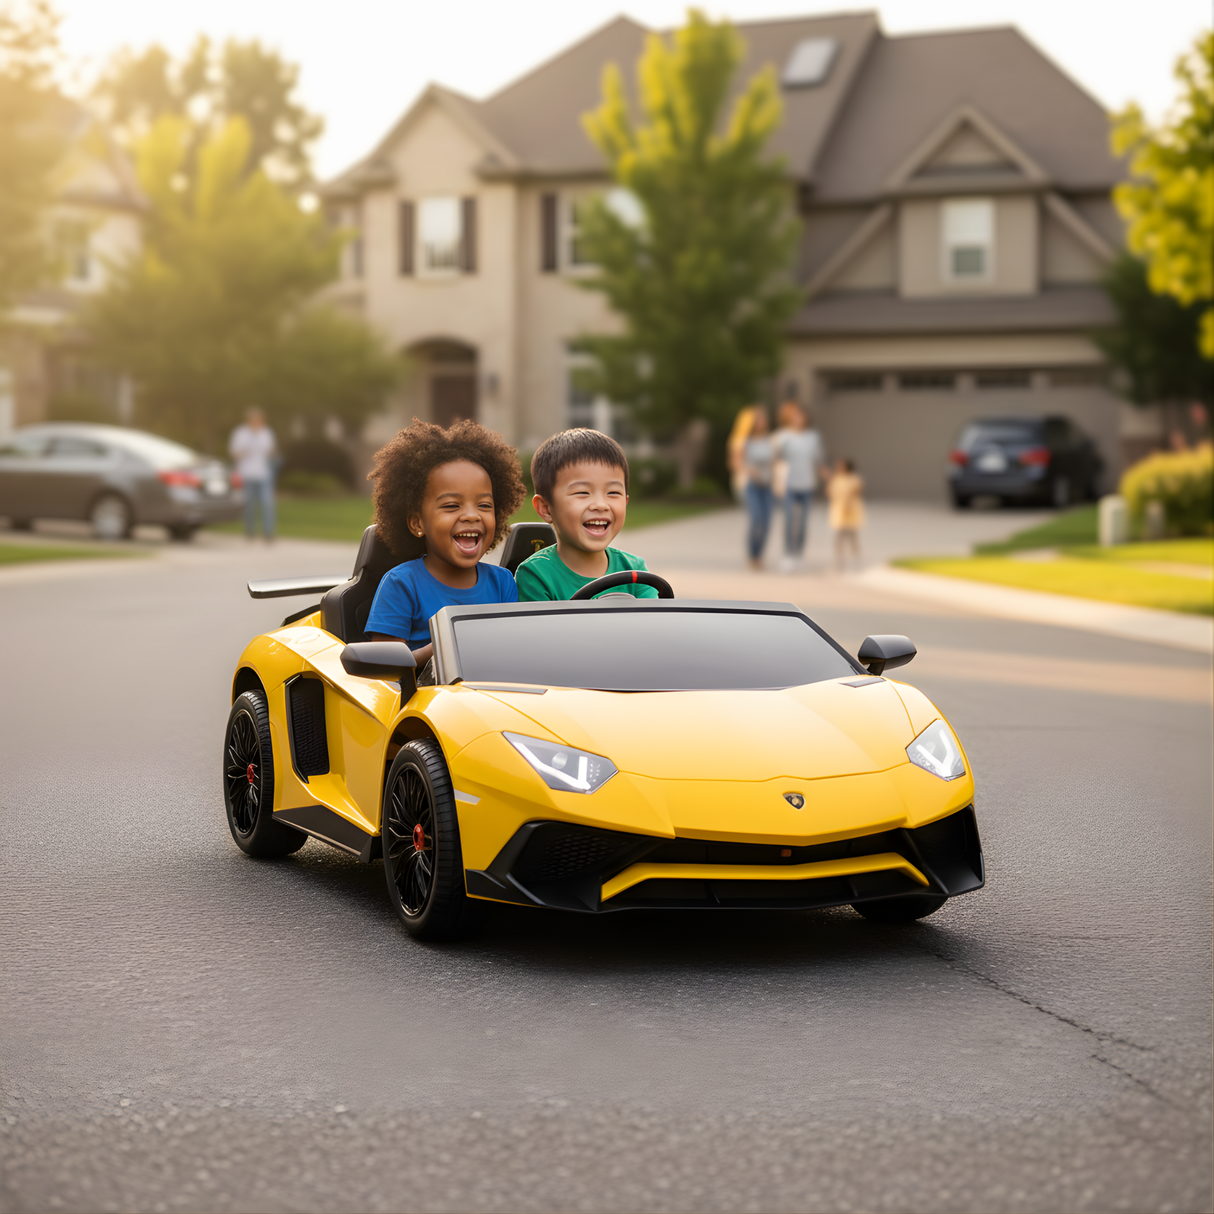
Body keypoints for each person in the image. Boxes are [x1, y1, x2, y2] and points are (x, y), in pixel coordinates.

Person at [366, 419, 526, 669]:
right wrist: (447, 644)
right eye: (452, 505)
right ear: (417, 523)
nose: (472, 515)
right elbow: (383, 668)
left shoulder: (503, 583)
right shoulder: (401, 584)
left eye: (484, 505)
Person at [516, 428, 659, 601]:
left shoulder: (635, 571)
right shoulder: (535, 576)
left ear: (625, 502)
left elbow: (651, 624)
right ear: (546, 508)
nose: (600, 505)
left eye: (613, 493)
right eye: (582, 492)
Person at [774, 403, 828, 571]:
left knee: (803, 522)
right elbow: (775, 460)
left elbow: (818, 461)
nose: (799, 419)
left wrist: (830, 479)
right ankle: (788, 555)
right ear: (790, 418)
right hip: (788, 484)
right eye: (795, 416)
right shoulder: (781, 436)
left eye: (802, 416)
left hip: (807, 484)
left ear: (806, 418)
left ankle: (799, 555)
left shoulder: (813, 436)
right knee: (790, 521)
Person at [229, 408, 278, 541]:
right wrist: (246, 450)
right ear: (249, 420)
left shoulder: (267, 432)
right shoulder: (240, 433)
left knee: (267, 503)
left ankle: (269, 533)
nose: (257, 421)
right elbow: (234, 454)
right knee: (248, 505)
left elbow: (271, 452)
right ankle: (250, 532)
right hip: (246, 474)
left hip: (263, 473)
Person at [741, 407, 775, 571]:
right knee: (756, 519)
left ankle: (760, 555)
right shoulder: (746, 441)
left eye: (764, 419)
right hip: (753, 486)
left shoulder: (771, 441)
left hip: (768, 486)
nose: (762, 422)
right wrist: (749, 470)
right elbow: (737, 463)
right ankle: (752, 554)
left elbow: (776, 462)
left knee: (767, 523)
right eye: (758, 419)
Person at [827, 458, 865, 570]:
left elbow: (857, 490)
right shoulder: (836, 479)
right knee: (839, 537)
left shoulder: (854, 478)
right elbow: (830, 493)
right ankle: (839, 560)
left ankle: (856, 558)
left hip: (851, 510)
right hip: (839, 511)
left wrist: (848, 502)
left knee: (852, 537)